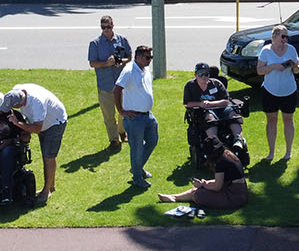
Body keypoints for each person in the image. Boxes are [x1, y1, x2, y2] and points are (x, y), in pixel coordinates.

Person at [4, 83, 68, 205]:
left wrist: (18, 123)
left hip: (55, 123)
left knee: (48, 156)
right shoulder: (16, 91)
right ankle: (51, 185)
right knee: (46, 154)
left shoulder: (37, 103)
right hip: (43, 122)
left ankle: (46, 192)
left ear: (20, 104)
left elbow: (37, 128)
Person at [157, 138, 249, 210]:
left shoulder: (221, 162)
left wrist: (202, 185)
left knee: (198, 195)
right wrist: (206, 183)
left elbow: (217, 187)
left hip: (233, 196)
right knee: (199, 187)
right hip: (236, 190)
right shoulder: (227, 154)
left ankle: (175, 198)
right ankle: (174, 197)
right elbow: (223, 180)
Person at [114, 45, 158, 189]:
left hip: (147, 115)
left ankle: (137, 168)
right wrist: (121, 111)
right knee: (136, 149)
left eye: (150, 57)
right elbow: (117, 90)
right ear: (138, 57)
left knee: (152, 140)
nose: (150, 60)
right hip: (134, 118)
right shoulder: (128, 71)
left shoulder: (146, 69)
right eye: (147, 57)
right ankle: (137, 178)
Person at [256, 24, 299, 161]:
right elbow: (259, 71)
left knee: (288, 119)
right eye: (283, 36)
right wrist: (274, 66)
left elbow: (298, 69)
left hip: (289, 91)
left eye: (287, 36)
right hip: (270, 91)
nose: (285, 39)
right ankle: (271, 152)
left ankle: (288, 152)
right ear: (274, 36)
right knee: (271, 120)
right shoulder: (266, 51)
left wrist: (294, 65)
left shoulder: (291, 49)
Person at [87, 16, 131, 148]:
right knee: (108, 115)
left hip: (121, 84)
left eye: (108, 26)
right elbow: (92, 63)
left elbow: (129, 56)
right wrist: (106, 63)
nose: (106, 29)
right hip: (105, 85)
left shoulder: (122, 40)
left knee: (123, 111)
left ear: (113, 25)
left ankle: (122, 131)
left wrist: (121, 62)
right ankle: (113, 139)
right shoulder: (95, 44)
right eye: (103, 27)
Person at [183, 63, 241, 142]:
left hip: (220, 108)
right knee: (210, 118)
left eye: (206, 74)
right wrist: (200, 104)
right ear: (196, 75)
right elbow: (187, 103)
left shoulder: (216, 84)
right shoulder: (190, 86)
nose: (203, 77)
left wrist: (211, 104)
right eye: (200, 74)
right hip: (203, 111)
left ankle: (238, 140)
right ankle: (215, 142)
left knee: (233, 115)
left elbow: (226, 101)